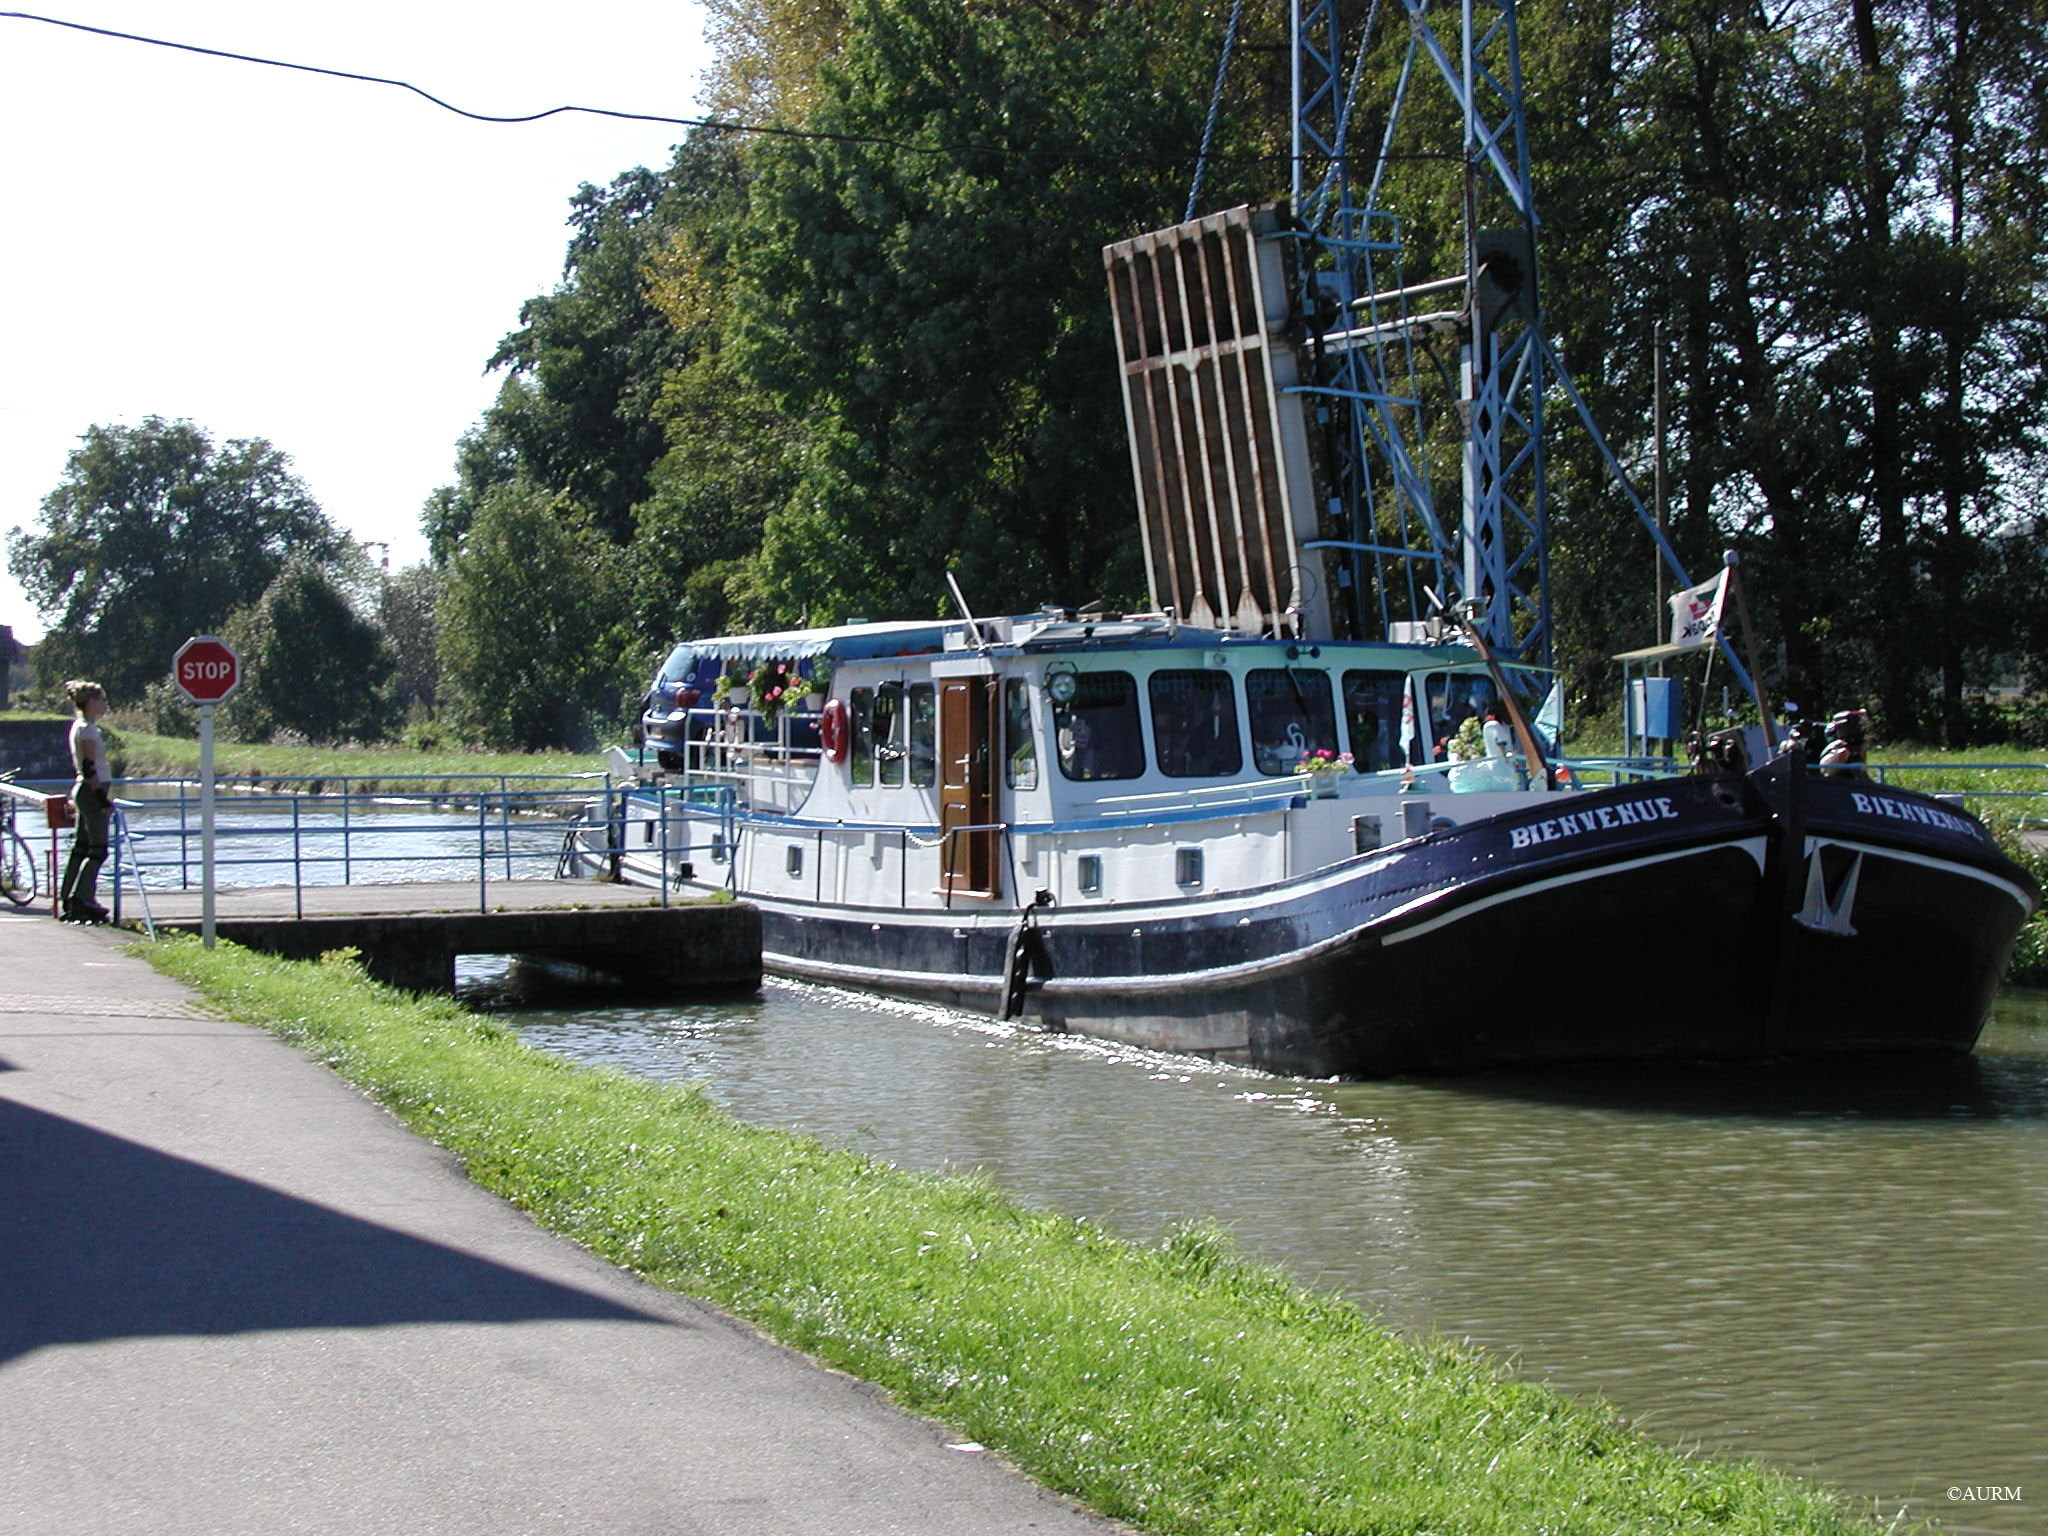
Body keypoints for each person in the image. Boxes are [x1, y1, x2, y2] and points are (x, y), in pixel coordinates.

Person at [60, 678, 113, 923]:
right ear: (91, 702)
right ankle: (82, 898)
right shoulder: (88, 730)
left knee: (82, 846)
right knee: (98, 849)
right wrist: (102, 798)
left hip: (84, 790)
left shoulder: (79, 726)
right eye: (101, 699)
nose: (104, 704)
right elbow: (89, 766)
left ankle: (69, 894)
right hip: (92, 790)